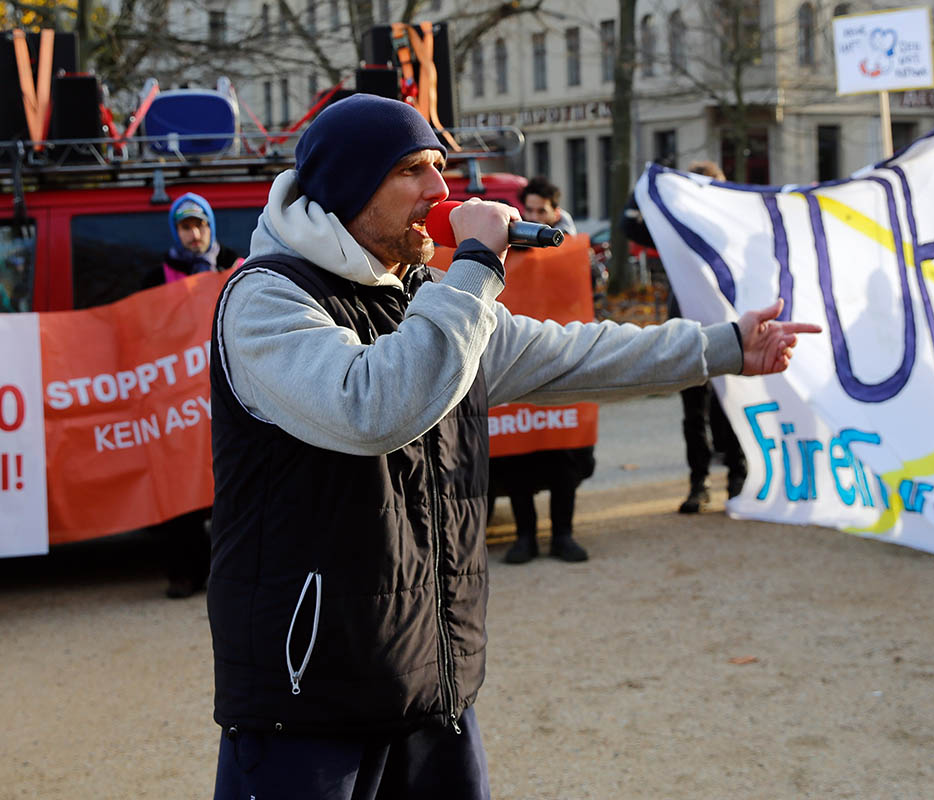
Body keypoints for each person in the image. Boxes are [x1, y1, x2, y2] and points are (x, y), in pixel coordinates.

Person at [207, 93, 819, 799]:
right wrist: (473, 268)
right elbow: (370, 405)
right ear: (348, 187)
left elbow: (573, 355)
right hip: (307, 700)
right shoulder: (267, 298)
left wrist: (727, 345)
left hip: (429, 682)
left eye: (440, 167)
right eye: (413, 170)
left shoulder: (424, 298)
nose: (440, 190)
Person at [621, 160, 748, 514]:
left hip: (725, 323)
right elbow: (628, 224)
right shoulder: (674, 231)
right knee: (694, 411)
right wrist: (645, 186)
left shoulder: (728, 230)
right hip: (687, 326)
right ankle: (699, 483)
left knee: (728, 405)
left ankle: (738, 480)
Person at [143, 192, 242, 598]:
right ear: (176, 231)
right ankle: (185, 572)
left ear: (211, 227)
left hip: (229, 399)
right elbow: (141, 336)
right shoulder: (156, 277)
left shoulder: (236, 267)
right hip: (178, 404)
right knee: (181, 488)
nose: (194, 234)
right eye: (186, 226)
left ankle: (233, 572)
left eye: (200, 224)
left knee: (232, 487)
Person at [492, 176, 593, 564]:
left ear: (555, 211)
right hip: (520, 362)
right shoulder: (508, 249)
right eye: (529, 211)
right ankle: (525, 537)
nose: (535, 218)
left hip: (560, 360)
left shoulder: (571, 250)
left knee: (562, 452)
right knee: (519, 453)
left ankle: (563, 535)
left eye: (541, 212)